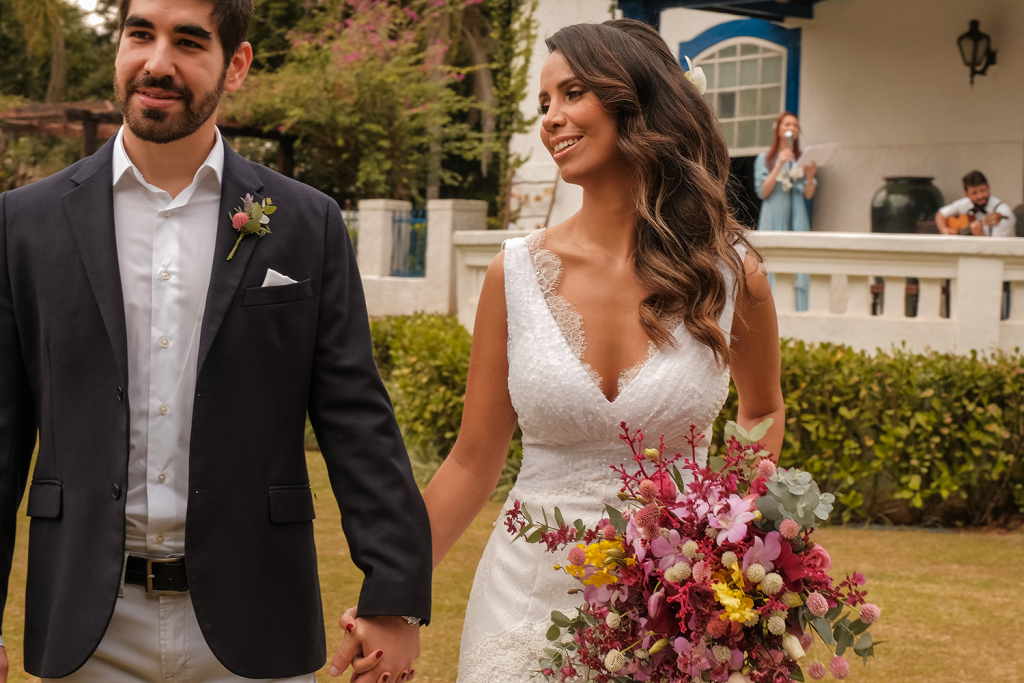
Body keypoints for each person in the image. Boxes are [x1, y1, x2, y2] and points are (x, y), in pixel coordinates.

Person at [333, 19, 785, 683]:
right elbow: (471, 458)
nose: (551, 119)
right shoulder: (512, 273)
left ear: (637, 98)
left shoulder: (731, 272)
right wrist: (392, 596)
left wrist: (730, 537)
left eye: (572, 93)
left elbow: (761, 408)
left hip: (672, 611)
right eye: (544, 103)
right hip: (522, 599)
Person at [0, 0, 430, 680]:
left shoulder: (306, 223)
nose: (157, 61)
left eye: (188, 41)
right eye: (140, 34)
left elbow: (356, 415)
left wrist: (397, 594)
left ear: (236, 65)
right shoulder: (22, 225)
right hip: (88, 623)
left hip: (255, 617)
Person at [754, 112, 817, 312]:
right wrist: (780, 164)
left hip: (797, 215)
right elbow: (763, 191)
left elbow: (809, 194)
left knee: (800, 264)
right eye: (788, 124)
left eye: (795, 126)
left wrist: (810, 176)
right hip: (773, 214)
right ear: (779, 129)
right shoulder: (765, 159)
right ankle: (770, 311)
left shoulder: (801, 159)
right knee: (770, 263)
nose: (792, 128)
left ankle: (800, 309)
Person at [935, 170, 1016, 237]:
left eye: (982, 190)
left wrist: (980, 236)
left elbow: (998, 249)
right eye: (974, 193)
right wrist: (944, 229)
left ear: (988, 187)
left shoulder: (1003, 213)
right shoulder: (965, 203)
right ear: (966, 194)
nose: (980, 196)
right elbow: (940, 214)